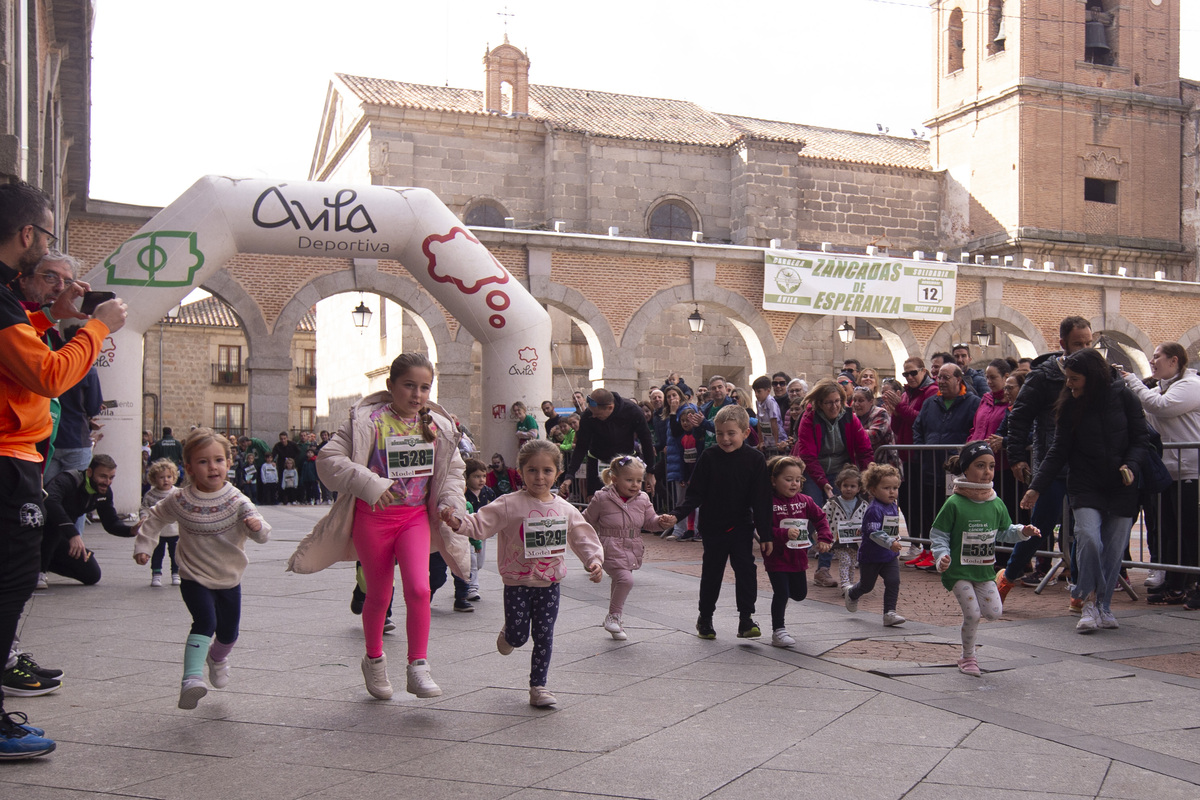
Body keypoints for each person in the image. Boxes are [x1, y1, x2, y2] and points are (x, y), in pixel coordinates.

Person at [0, 180, 126, 758]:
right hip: (9, 461)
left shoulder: (11, 303)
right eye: (46, 239)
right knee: (13, 581)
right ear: (28, 234)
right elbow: (48, 376)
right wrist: (96, 327)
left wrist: (56, 317)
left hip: (21, 457)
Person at [288, 353, 470, 701]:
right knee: (379, 593)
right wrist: (371, 484)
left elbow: (453, 472)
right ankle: (373, 660)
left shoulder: (438, 427)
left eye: (424, 387)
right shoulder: (367, 422)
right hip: (372, 519)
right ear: (390, 386)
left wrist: (449, 505)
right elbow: (329, 460)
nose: (417, 394)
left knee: (419, 589)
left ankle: (418, 666)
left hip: (414, 517)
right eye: (409, 386)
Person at [441, 440, 603, 707]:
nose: (540, 477)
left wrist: (594, 560)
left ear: (557, 473)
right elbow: (481, 523)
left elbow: (581, 535)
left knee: (544, 634)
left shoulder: (565, 509)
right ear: (521, 472)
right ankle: (509, 633)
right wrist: (457, 522)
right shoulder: (509, 504)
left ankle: (539, 686)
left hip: (549, 582)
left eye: (547, 471)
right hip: (517, 581)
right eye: (532, 470)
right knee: (518, 636)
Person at [134, 428, 270, 709]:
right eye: (203, 461)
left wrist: (257, 528)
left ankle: (217, 658)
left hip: (228, 576)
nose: (213, 467)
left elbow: (260, 529)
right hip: (193, 575)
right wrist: (144, 546)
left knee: (229, 632)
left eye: (219, 460)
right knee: (205, 622)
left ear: (229, 464)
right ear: (189, 467)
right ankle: (191, 680)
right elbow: (155, 517)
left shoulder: (237, 500)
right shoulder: (181, 499)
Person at [1021, 348, 1150, 633]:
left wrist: (1130, 464)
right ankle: (1087, 601)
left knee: (1114, 549)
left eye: (1074, 379)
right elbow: (1057, 450)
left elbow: (1141, 438)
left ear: (1092, 378)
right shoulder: (1069, 406)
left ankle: (1102, 605)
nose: (1069, 384)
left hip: (1123, 485)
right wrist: (1036, 487)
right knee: (1089, 538)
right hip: (1085, 483)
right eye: (1068, 378)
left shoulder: (1125, 396)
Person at [1001, 317, 1093, 605]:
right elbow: (1019, 418)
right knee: (1039, 527)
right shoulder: (1042, 377)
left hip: (1085, 463)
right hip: (1050, 464)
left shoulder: (1098, 374)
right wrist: (1016, 457)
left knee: (1084, 529)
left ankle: (1079, 588)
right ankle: (1008, 576)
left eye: (1089, 343)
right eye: (1079, 344)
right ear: (1063, 344)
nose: (1085, 349)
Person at [662, 405, 772, 640]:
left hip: (742, 525)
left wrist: (767, 534)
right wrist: (676, 515)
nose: (725, 438)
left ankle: (746, 618)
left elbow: (761, 500)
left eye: (731, 433)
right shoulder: (709, 456)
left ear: (744, 432)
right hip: (713, 526)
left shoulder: (755, 459)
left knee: (746, 570)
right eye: (720, 433)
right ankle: (705, 617)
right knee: (712, 572)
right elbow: (695, 494)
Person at [932, 442, 1039, 676]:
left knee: (993, 613)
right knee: (972, 613)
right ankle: (967, 657)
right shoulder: (954, 503)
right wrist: (942, 556)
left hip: (984, 571)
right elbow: (939, 534)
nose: (987, 471)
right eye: (980, 466)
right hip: (959, 570)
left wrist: (1023, 531)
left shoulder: (995, 502)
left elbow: (1004, 530)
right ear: (966, 469)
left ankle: (1000, 577)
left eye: (991, 466)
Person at [1119, 343, 1200, 607]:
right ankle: (1175, 584)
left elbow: (1161, 406)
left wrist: (1132, 380)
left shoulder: (1190, 385)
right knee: (1169, 532)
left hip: (1190, 471)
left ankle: (1194, 583)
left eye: (1157, 357)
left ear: (1174, 360)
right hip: (1166, 472)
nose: (1152, 361)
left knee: (1190, 531)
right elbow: (1147, 413)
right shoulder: (1161, 387)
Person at [791, 379, 874, 587]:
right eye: (829, 402)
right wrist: (821, 481)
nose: (834, 406)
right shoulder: (809, 418)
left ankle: (823, 569)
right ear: (819, 403)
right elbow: (808, 455)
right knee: (813, 514)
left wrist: (868, 477)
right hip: (813, 470)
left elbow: (864, 448)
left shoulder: (849, 417)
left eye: (838, 401)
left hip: (840, 472)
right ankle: (796, 560)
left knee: (833, 519)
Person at [583, 455, 672, 640]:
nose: (635, 485)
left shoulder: (642, 499)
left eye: (639, 480)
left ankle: (616, 622)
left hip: (632, 548)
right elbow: (585, 520)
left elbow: (650, 522)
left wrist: (661, 522)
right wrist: (586, 546)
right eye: (629, 480)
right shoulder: (602, 497)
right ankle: (613, 617)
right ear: (614, 478)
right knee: (625, 580)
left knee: (619, 581)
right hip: (608, 546)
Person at [908, 364, 982, 569]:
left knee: (951, 512)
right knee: (930, 512)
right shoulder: (931, 402)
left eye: (946, 377)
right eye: (938, 377)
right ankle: (931, 551)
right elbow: (918, 428)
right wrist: (921, 449)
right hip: (930, 466)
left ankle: (950, 555)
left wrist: (960, 456)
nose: (940, 381)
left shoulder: (973, 402)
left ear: (959, 379)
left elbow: (974, 430)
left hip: (955, 471)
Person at [763, 455, 832, 647]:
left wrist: (825, 537)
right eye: (788, 479)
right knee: (781, 593)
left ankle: (783, 610)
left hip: (798, 557)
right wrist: (783, 533)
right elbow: (762, 528)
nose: (794, 484)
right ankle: (779, 630)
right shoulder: (768, 502)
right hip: (776, 557)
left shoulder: (806, 501)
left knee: (800, 594)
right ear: (773, 480)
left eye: (798, 479)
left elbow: (821, 519)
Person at [41, 454, 138, 586]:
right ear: (89, 472)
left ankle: (40, 565)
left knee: (91, 575)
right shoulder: (68, 480)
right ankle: (38, 571)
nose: (107, 482)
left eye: (111, 477)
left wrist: (131, 530)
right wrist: (73, 534)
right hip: (41, 533)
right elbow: (50, 500)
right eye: (103, 476)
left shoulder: (104, 492)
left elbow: (111, 523)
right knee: (54, 528)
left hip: (62, 539)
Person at [883, 357, 937, 562]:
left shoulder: (930, 392)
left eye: (913, 373)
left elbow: (921, 420)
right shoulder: (906, 394)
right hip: (906, 457)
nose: (910, 377)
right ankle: (916, 544)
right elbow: (897, 427)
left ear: (924, 371)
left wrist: (901, 408)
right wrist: (895, 411)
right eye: (906, 374)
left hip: (921, 457)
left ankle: (928, 547)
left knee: (924, 504)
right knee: (907, 501)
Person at [558, 388, 655, 499]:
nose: (593, 417)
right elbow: (581, 446)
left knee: (627, 500)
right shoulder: (588, 414)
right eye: (592, 413)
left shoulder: (633, 411)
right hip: (597, 460)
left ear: (610, 407)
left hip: (624, 461)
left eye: (598, 415)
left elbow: (646, 440)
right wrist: (569, 476)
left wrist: (651, 472)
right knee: (595, 500)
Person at [844, 463, 907, 626]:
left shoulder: (893, 505)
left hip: (889, 555)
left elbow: (888, 527)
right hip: (871, 556)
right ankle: (852, 593)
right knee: (867, 585)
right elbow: (874, 532)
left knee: (893, 581)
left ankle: (889, 613)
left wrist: (894, 540)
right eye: (886, 488)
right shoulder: (874, 509)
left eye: (895, 487)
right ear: (873, 490)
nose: (892, 492)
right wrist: (890, 541)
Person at [967, 358, 1020, 523]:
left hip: (1001, 466)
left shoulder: (1012, 404)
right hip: (978, 465)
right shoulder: (985, 399)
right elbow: (975, 428)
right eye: (987, 378)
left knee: (1004, 510)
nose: (989, 382)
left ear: (1005, 377)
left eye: (993, 378)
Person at [824, 465, 868, 595]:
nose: (848, 489)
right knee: (845, 560)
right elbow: (823, 517)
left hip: (855, 540)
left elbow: (867, 521)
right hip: (838, 540)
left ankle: (850, 585)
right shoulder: (833, 503)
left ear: (859, 488)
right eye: (845, 485)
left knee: (853, 563)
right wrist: (823, 534)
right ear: (839, 486)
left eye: (852, 486)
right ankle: (845, 584)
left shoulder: (863, 505)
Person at [140, 459, 181, 587]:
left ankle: (176, 573)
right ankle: (156, 574)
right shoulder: (151, 495)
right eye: (161, 477)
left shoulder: (178, 493)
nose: (165, 480)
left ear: (174, 477)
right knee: (157, 554)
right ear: (154, 479)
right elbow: (145, 508)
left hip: (175, 530)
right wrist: (144, 518)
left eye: (169, 477)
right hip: (158, 531)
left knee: (176, 554)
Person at [463, 458, 496, 601]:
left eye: (483, 476)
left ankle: (463, 583)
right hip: (467, 532)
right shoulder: (464, 494)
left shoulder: (488, 492)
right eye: (476, 476)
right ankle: (472, 587)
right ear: (467, 477)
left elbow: (494, 510)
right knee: (472, 561)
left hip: (482, 531)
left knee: (480, 561)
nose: (481, 480)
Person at [850, 386, 900, 471]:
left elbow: (875, 435)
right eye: (855, 400)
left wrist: (852, 434)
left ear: (871, 402)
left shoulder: (880, 413)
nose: (856, 404)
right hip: (863, 465)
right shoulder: (853, 416)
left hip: (885, 465)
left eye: (861, 400)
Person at [752, 375, 785, 456]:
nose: (756, 394)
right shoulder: (758, 402)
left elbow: (774, 422)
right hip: (767, 438)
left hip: (778, 438)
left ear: (768, 391)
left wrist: (777, 442)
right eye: (755, 392)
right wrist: (760, 441)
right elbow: (759, 422)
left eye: (759, 391)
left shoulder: (770, 402)